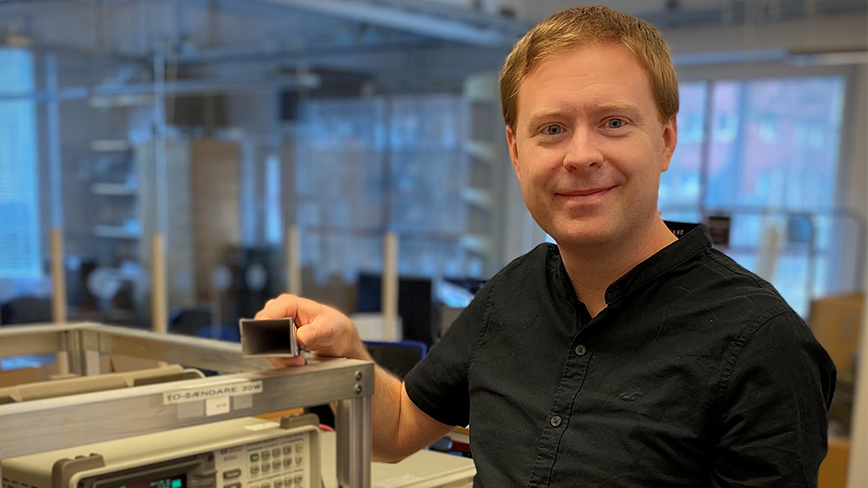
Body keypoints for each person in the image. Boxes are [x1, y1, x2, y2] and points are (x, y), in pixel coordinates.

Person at [259, 6, 836, 487]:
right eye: (552, 129)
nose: (580, 155)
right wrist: (346, 358)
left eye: (613, 122)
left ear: (665, 140)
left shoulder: (764, 344)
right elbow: (400, 426)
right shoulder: (509, 294)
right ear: (515, 152)